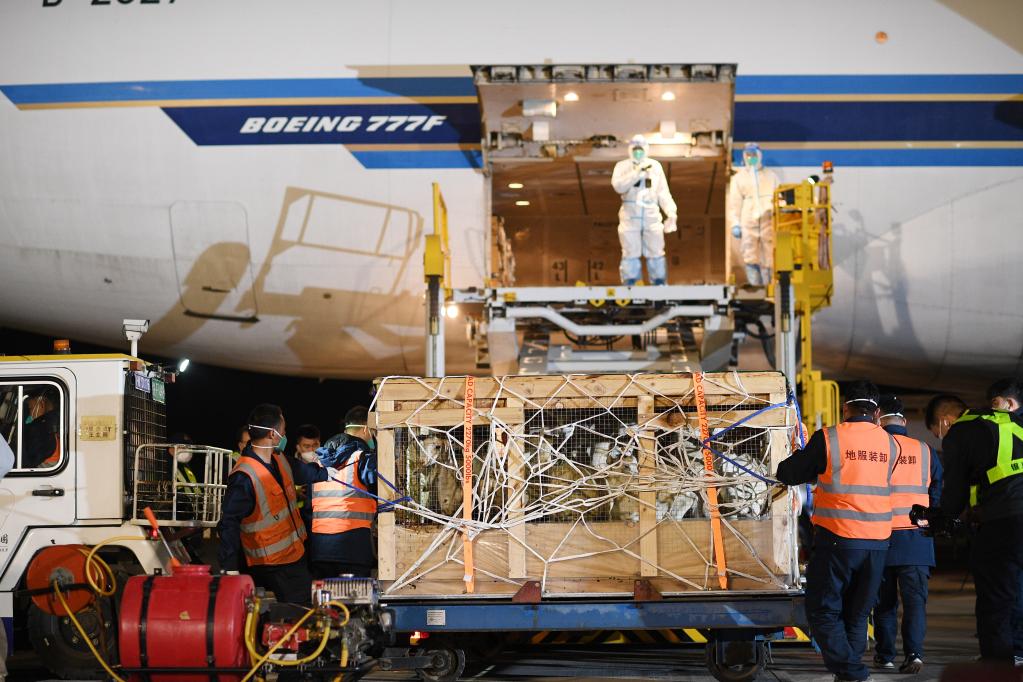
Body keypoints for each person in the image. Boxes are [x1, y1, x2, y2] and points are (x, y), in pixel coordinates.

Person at [776, 380, 895, 682]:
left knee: (823, 610)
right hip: (879, 542)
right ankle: (850, 673)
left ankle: (853, 672)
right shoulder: (890, 443)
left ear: (845, 408)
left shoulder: (830, 438)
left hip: (839, 538)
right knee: (857, 614)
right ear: (876, 412)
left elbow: (789, 473)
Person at [938, 378, 1023, 663]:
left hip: (1005, 519)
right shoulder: (1016, 423)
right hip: (1007, 515)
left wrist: (946, 517)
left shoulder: (965, 429)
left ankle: (999, 665)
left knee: (996, 596)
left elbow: (955, 491)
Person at [218, 404, 327, 604]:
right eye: (283, 429)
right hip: (272, 562)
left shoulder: (279, 459)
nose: (284, 434)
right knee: (304, 612)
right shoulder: (244, 475)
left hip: (293, 555)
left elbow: (311, 473)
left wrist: (334, 465)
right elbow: (228, 523)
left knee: (301, 609)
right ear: (272, 434)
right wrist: (229, 567)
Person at [872, 395, 942, 674]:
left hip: (879, 536)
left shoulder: (873, 449)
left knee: (884, 602)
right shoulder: (925, 450)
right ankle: (914, 654)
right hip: (916, 539)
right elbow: (938, 492)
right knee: (915, 602)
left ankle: (885, 655)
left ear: (878, 416)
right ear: (903, 421)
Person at [308, 406, 378, 578]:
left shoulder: (319, 461)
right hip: (353, 546)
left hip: (320, 547)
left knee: (325, 595)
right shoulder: (362, 459)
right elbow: (381, 488)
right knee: (355, 594)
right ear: (366, 429)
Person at [610, 134, 678, 285]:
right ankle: (631, 282)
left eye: (641, 149)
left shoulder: (655, 167)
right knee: (630, 250)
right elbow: (618, 186)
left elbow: (663, 192)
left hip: (651, 213)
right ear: (630, 149)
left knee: (656, 249)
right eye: (635, 149)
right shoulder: (622, 166)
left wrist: (671, 212)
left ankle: (659, 281)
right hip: (630, 214)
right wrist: (636, 173)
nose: (638, 152)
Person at [727, 142, 780, 286]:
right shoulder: (739, 178)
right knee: (750, 253)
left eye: (754, 154)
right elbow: (735, 204)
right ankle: (756, 287)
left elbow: (780, 197)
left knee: (770, 253)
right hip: (748, 220)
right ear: (744, 156)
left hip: (768, 220)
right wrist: (735, 223)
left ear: (759, 155)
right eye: (748, 155)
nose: (751, 158)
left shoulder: (771, 176)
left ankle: (770, 287)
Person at [22, 386, 60, 468]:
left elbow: (26, 461)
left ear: (42, 404)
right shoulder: (54, 422)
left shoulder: (40, 429)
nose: (30, 413)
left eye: (31, 408)